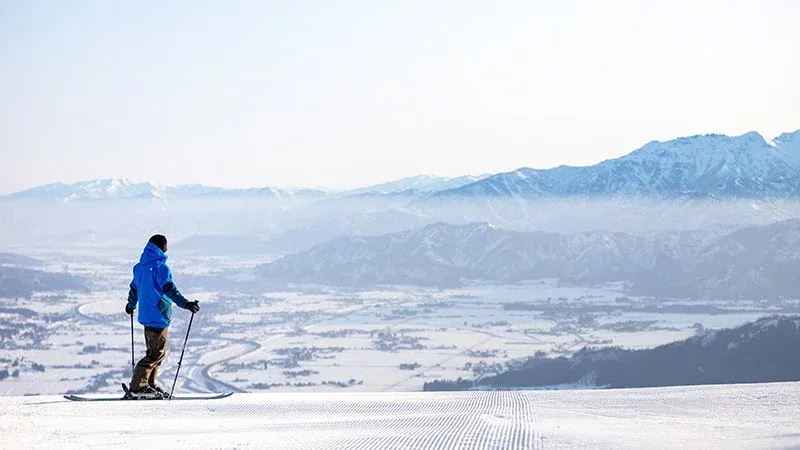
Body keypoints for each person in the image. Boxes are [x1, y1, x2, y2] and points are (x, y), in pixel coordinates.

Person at [125, 234, 199, 397]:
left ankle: (148, 384)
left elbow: (134, 290)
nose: (167, 248)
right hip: (158, 316)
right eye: (166, 245)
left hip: (147, 316)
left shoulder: (139, 268)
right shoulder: (161, 268)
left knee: (155, 352)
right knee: (156, 354)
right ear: (161, 247)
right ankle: (138, 387)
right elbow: (170, 290)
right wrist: (186, 304)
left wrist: (130, 306)